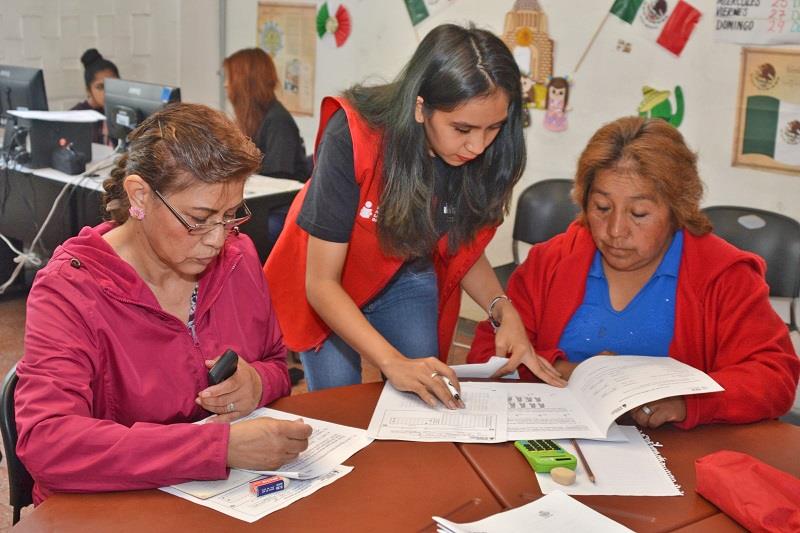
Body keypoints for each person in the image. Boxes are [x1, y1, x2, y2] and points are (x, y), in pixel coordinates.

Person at [15, 103, 312, 504]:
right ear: (139, 195)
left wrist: (255, 383)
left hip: (217, 499)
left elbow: (277, 363)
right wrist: (215, 446)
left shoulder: (239, 259)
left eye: (230, 216)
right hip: (106, 505)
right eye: (199, 218)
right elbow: (49, 444)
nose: (218, 239)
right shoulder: (69, 291)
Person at [265, 24, 565, 409]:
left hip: (403, 270)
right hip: (327, 280)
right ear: (421, 107)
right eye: (462, 128)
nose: (477, 145)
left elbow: (463, 245)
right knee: (339, 402)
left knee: (428, 387)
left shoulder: (477, 153)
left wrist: (502, 310)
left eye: (494, 128)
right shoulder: (354, 136)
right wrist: (391, 362)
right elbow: (322, 284)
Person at [468, 116, 800, 429]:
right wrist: (570, 373)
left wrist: (687, 402)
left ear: (677, 210)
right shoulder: (552, 261)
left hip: (679, 457)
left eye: (639, 213)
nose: (615, 231)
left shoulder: (722, 274)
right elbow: (487, 353)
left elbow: (775, 376)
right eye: (601, 208)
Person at [223, 48, 311, 254]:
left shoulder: (278, 121)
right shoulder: (250, 118)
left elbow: (279, 174)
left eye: (230, 78)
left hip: (279, 206)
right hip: (259, 203)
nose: (226, 84)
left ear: (246, 82)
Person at [70, 48, 119, 144]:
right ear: (88, 91)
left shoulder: (124, 113)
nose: (107, 91)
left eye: (113, 84)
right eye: (100, 87)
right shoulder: (76, 117)